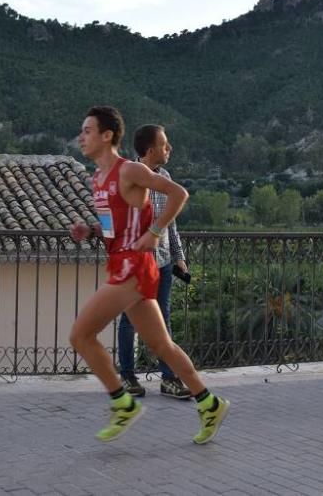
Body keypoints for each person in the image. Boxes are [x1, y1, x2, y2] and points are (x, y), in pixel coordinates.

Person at [69, 106, 229, 443]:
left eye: (87, 130)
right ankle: (209, 402)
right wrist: (92, 231)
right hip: (122, 264)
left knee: (81, 336)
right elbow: (114, 229)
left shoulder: (131, 170)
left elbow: (178, 194)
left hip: (134, 268)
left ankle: (122, 402)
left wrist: (155, 231)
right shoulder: (97, 179)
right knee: (162, 345)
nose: (81, 137)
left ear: (107, 135)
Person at [117, 124, 191, 400]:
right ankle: (127, 376)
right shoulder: (130, 178)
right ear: (150, 150)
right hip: (137, 264)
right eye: (164, 144)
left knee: (163, 319)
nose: (169, 148)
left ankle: (169, 379)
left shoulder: (165, 176)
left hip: (161, 263)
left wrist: (179, 257)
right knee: (130, 320)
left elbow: (170, 225)